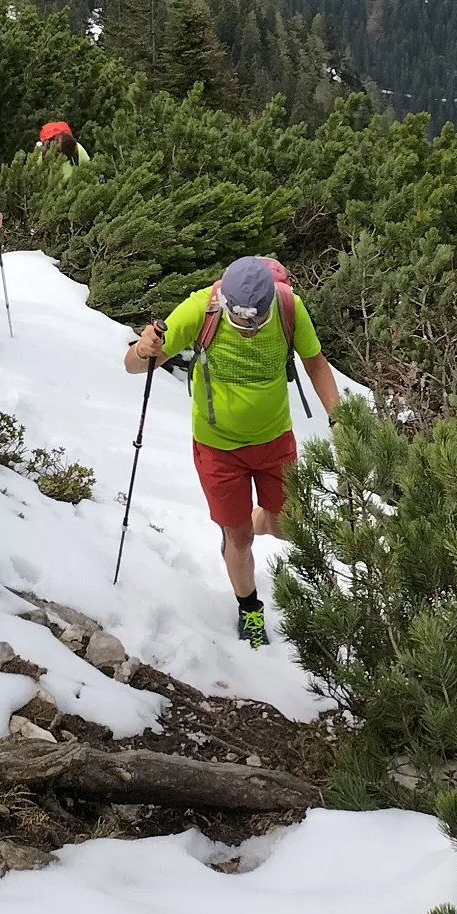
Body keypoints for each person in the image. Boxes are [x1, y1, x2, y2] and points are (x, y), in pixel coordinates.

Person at [126, 255, 339, 647]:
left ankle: (246, 521)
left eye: (257, 321)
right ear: (224, 302)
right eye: (241, 322)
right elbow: (135, 367)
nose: (249, 329)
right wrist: (142, 350)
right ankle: (249, 608)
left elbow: (316, 363)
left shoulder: (289, 305)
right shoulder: (199, 309)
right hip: (218, 447)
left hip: (275, 440)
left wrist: (339, 418)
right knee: (239, 539)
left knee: (284, 526)